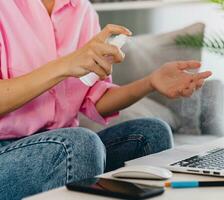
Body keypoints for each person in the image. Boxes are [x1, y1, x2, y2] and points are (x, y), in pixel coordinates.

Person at [0, 0, 212, 199]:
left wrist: (150, 83)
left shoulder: (81, 10)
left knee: (152, 133)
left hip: (59, 142)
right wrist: (65, 65)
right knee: (79, 144)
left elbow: (95, 98)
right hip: (8, 152)